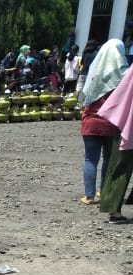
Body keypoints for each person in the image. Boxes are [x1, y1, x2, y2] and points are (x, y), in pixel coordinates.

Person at [77, 40, 126, 207]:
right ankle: (104, 191)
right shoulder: (123, 74)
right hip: (111, 124)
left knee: (90, 159)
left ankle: (89, 196)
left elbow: (83, 96)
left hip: (91, 121)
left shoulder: (94, 71)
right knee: (108, 158)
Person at [97, 59, 133, 223]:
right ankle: (114, 210)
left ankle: (113, 209)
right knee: (121, 168)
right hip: (127, 125)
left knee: (119, 166)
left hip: (123, 122)